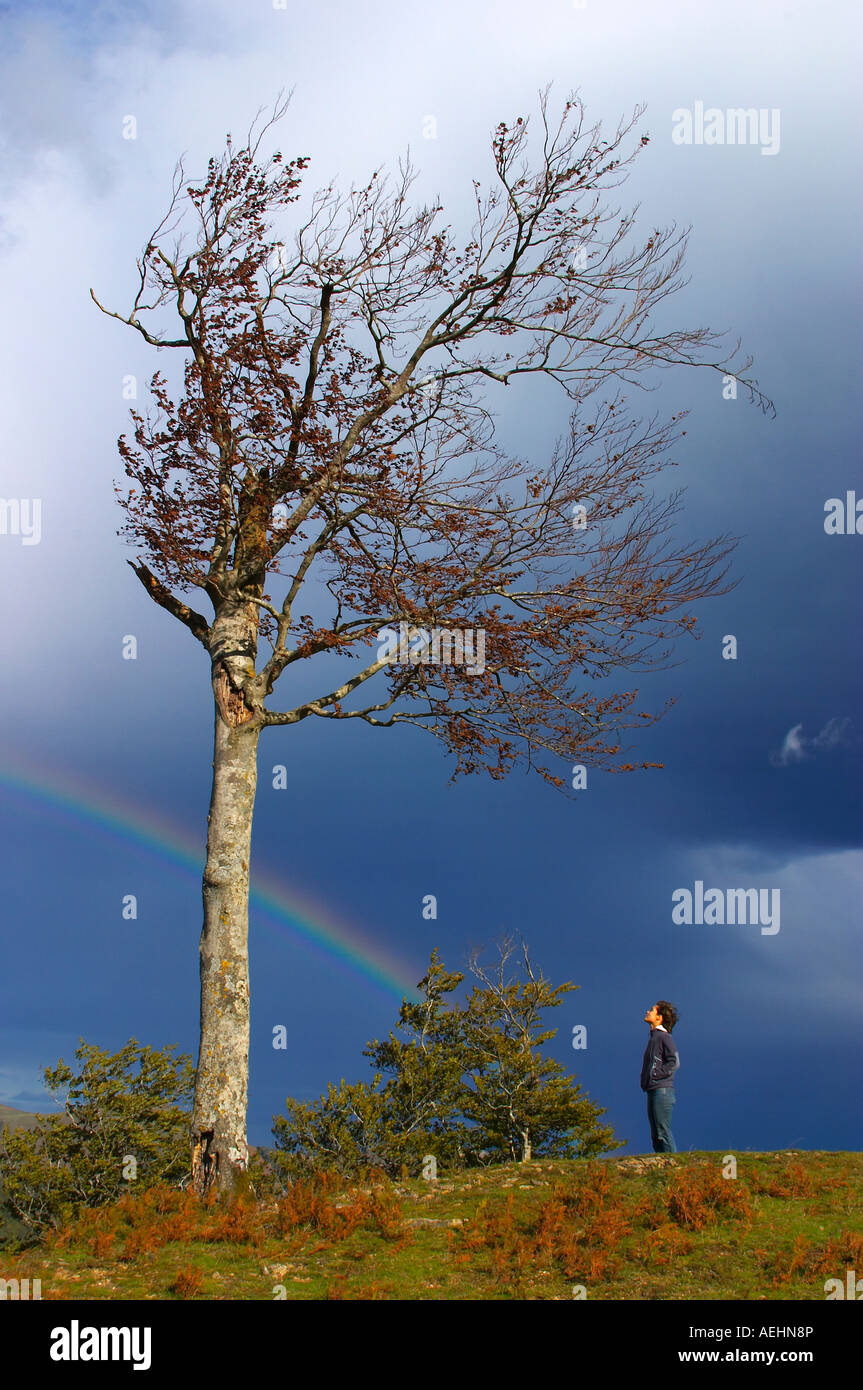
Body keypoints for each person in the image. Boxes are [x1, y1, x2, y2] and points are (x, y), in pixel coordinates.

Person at [640, 1000, 680, 1153]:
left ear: (659, 1017)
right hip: (653, 1089)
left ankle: (674, 1166)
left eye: (651, 1010)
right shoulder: (654, 1038)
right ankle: (662, 1166)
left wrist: (656, 1074)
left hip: (662, 1090)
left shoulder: (664, 1037)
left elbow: (674, 1062)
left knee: (662, 1131)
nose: (647, 1012)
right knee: (656, 1133)